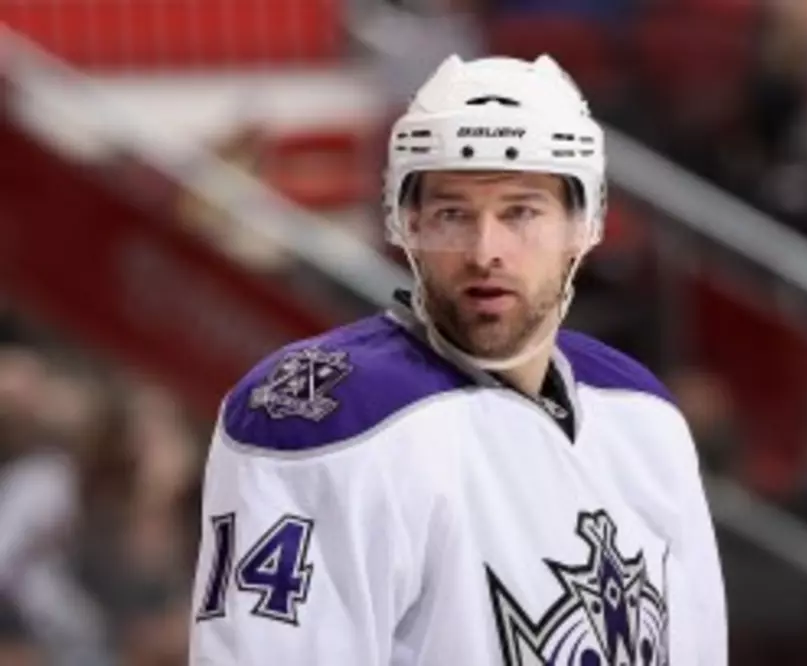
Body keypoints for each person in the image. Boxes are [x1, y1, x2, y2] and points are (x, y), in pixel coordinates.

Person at [188, 54, 727, 665]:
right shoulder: (329, 420)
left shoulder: (641, 414)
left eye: (521, 212)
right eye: (452, 215)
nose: (485, 250)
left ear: (584, 224)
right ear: (406, 223)